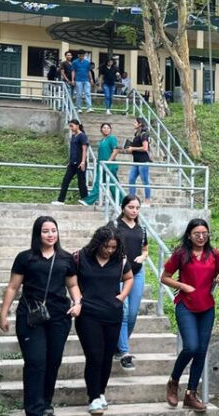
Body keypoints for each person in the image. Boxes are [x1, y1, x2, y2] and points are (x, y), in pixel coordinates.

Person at [0, 216, 83, 416]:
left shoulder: (66, 258)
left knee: (53, 360)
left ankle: (45, 402)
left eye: (53, 230)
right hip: (30, 316)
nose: (50, 234)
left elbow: (72, 285)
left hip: (59, 317)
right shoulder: (25, 258)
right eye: (45, 231)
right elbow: (12, 287)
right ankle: (33, 409)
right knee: (36, 361)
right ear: (37, 234)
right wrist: (3, 313)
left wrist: (78, 303)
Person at [161, 219, 219, 411]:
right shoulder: (181, 253)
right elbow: (164, 277)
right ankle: (173, 381)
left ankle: (191, 394)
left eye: (204, 233)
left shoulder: (213, 254)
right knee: (191, 347)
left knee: (201, 350)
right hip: (186, 305)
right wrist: (182, 286)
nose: (201, 237)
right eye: (197, 233)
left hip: (207, 307)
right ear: (189, 235)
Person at [73, 226, 133, 414]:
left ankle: (100, 392)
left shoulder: (120, 260)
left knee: (107, 356)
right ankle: (93, 397)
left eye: (113, 247)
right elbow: (71, 281)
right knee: (94, 355)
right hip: (88, 314)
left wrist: (121, 297)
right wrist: (77, 300)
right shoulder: (80, 257)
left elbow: (129, 278)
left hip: (112, 313)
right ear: (97, 243)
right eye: (106, 246)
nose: (109, 251)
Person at [113, 195, 149, 371]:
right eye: (130, 207)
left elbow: (145, 249)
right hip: (119, 274)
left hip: (137, 272)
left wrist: (142, 257)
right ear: (123, 208)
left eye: (137, 208)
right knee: (124, 312)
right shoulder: (114, 226)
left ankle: (118, 344)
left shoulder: (141, 229)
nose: (134, 211)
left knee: (133, 313)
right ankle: (124, 352)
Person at [81, 123, 119, 206]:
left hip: (109, 165)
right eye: (104, 128)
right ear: (101, 130)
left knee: (112, 185)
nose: (106, 129)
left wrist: (108, 161)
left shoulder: (112, 138)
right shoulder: (102, 140)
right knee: (99, 183)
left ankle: (122, 201)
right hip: (101, 165)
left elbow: (115, 150)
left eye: (108, 128)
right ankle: (89, 201)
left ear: (110, 129)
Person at [53, 119, 89, 205]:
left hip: (80, 162)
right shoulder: (73, 136)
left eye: (72, 126)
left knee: (81, 182)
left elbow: (84, 149)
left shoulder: (82, 136)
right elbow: (72, 150)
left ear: (77, 125)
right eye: (70, 126)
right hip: (72, 163)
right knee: (65, 180)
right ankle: (61, 200)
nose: (71, 128)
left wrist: (83, 161)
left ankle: (85, 199)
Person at [122, 117, 152, 206]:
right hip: (135, 161)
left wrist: (133, 148)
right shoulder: (136, 134)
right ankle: (131, 199)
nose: (133, 124)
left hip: (143, 161)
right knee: (131, 179)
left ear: (140, 124)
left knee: (145, 180)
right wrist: (130, 149)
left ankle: (147, 200)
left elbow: (145, 148)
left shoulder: (144, 135)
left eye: (135, 122)